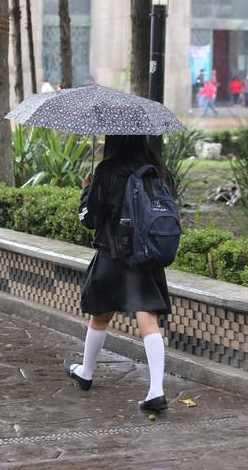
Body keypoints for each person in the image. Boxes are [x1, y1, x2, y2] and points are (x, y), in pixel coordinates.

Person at [64, 135, 172, 414]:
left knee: (100, 314)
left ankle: (86, 372)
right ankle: (156, 390)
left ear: (114, 141)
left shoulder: (108, 170)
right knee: (147, 317)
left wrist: (87, 191)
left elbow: (89, 220)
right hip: (146, 254)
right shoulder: (156, 169)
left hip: (114, 253)